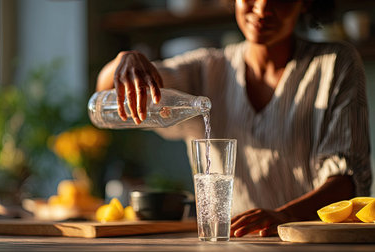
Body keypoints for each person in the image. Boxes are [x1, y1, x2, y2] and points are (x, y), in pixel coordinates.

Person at [95, 0, 372, 237]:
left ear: (307, 2)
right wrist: (124, 61)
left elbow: (347, 179)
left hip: (308, 244)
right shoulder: (206, 69)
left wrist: (283, 217)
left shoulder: (336, 64)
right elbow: (106, 95)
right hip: (230, 243)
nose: (263, 8)